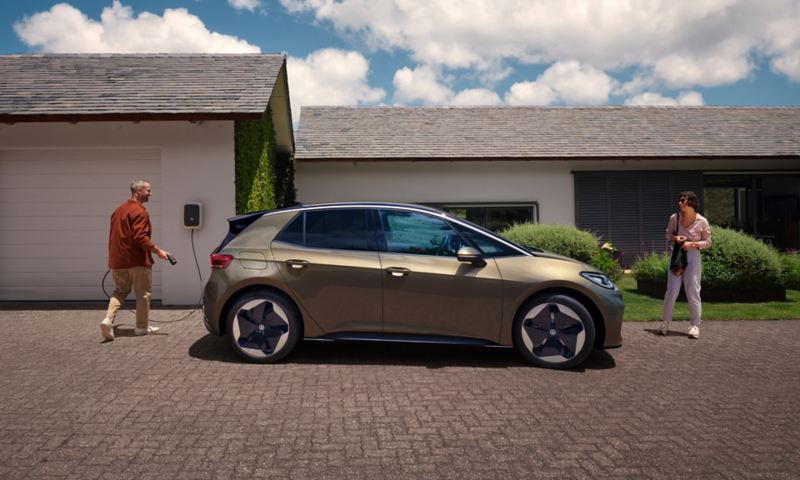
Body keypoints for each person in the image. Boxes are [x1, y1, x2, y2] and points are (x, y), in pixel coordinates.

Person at [100, 180, 170, 340]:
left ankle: (108, 320)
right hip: (137, 261)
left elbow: (114, 237)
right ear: (138, 192)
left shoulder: (118, 211)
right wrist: (158, 251)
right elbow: (140, 238)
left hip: (117, 261)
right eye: (148, 190)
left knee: (120, 291)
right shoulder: (139, 211)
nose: (151, 193)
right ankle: (141, 328)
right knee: (143, 294)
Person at [658, 191, 712, 338]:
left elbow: (708, 242)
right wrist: (675, 238)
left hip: (693, 258)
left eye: (683, 200)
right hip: (677, 257)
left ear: (691, 203)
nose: (680, 203)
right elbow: (668, 235)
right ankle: (665, 322)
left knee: (693, 291)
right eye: (679, 200)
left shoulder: (702, 221)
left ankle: (695, 326)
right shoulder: (674, 218)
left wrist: (693, 244)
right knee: (672, 291)